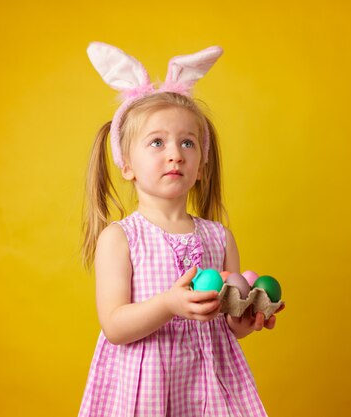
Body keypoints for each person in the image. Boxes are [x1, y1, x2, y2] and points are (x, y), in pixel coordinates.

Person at [79, 42, 283, 417]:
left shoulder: (218, 236)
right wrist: (168, 304)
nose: (175, 153)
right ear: (127, 164)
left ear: (202, 165)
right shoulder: (121, 238)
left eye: (187, 142)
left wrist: (246, 318)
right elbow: (114, 326)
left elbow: (227, 324)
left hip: (208, 383)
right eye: (157, 142)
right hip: (147, 386)